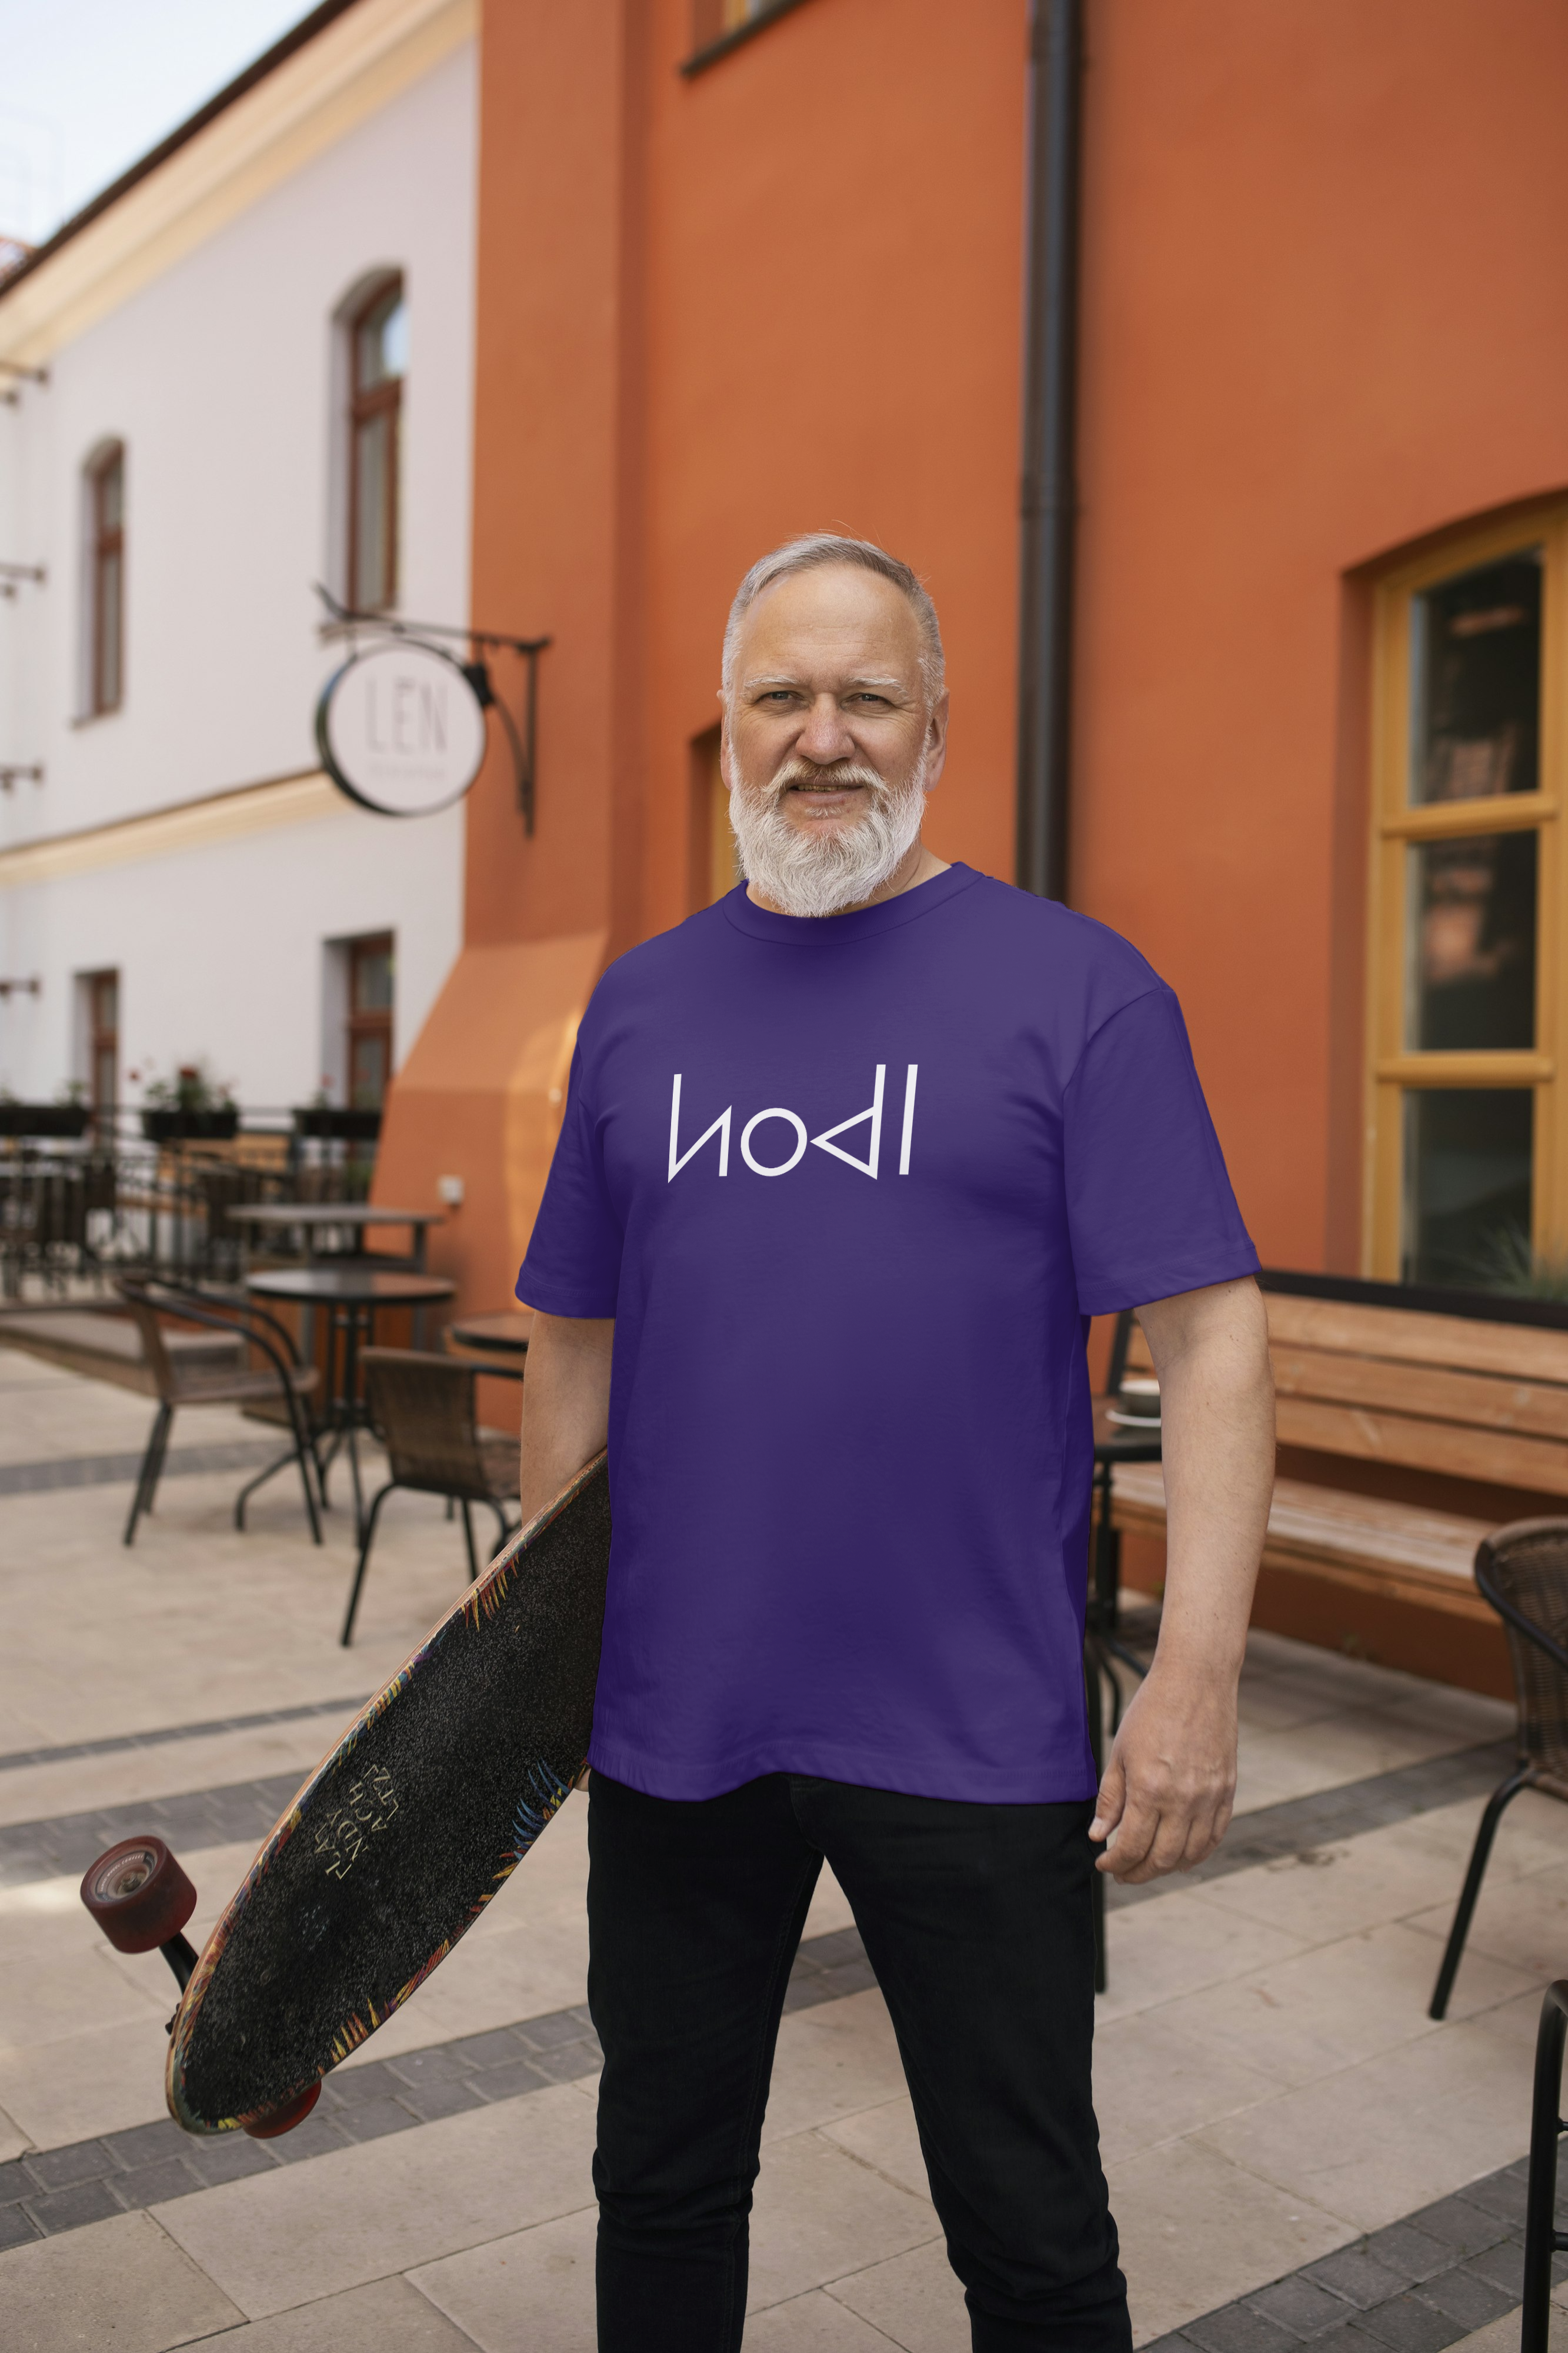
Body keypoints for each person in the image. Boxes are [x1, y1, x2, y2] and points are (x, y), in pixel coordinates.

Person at [515, 532, 1275, 2352]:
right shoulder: (640, 1004)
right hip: (676, 1723)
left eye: (868, 696)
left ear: (937, 727)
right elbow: (571, 1338)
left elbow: (1214, 1338)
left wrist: (1196, 1675)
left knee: (1032, 2231)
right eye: (781, 696)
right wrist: (539, 1656)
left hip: (971, 1725)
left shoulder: (1079, 988)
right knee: (662, 2191)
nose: (822, 736)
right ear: (728, 727)